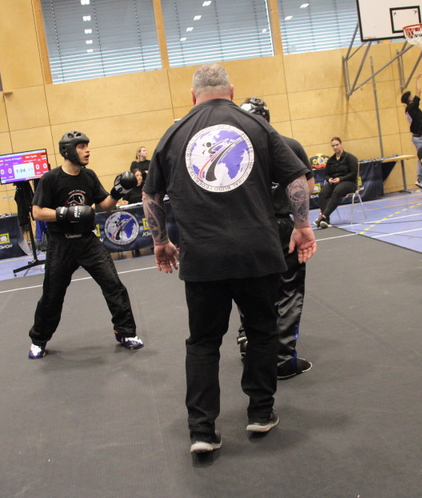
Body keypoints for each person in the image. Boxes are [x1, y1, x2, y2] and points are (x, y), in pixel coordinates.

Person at [142, 63, 316, 455]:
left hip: (203, 257)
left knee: (203, 342)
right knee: (262, 331)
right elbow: (296, 178)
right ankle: (261, 412)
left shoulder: (173, 134)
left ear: (193, 95)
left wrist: (161, 241)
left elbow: (150, 195)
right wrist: (303, 225)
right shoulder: (257, 126)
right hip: (257, 253)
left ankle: (202, 430)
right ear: (231, 91)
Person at [28, 131, 144, 359]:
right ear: (67, 151)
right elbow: (37, 212)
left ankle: (126, 332)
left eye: (87, 146)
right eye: (81, 146)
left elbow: (105, 205)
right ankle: (39, 340)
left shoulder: (89, 176)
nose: (87, 150)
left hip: (87, 242)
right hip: (61, 245)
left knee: (114, 286)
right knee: (52, 295)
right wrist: (66, 213)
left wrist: (119, 190)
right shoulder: (51, 178)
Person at [235, 97, 315, 380]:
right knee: (288, 290)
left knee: (250, 289)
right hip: (279, 226)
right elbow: (307, 186)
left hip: (244, 228)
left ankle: (249, 343)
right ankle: (281, 359)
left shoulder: (233, 149)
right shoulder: (288, 145)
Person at [313, 137, 358, 229]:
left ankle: (323, 216)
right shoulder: (330, 160)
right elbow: (326, 175)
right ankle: (326, 221)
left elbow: (353, 173)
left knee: (337, 191)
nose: (335, 147)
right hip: (334, 183)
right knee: (322, 193)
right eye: (333, 146)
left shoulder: (350, 158)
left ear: (341, 145)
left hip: (349, 183)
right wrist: (329, 179)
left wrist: (340, 179)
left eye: (337, 145)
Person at [401, 73, 422, 190]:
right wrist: (417, 79)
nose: (413, 96)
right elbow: (419, 92)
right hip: (419, 137)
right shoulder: (411, 107)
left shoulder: (409, 109)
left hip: (419, 136)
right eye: (411, 96)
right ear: (410, 100)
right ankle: (420, 179)